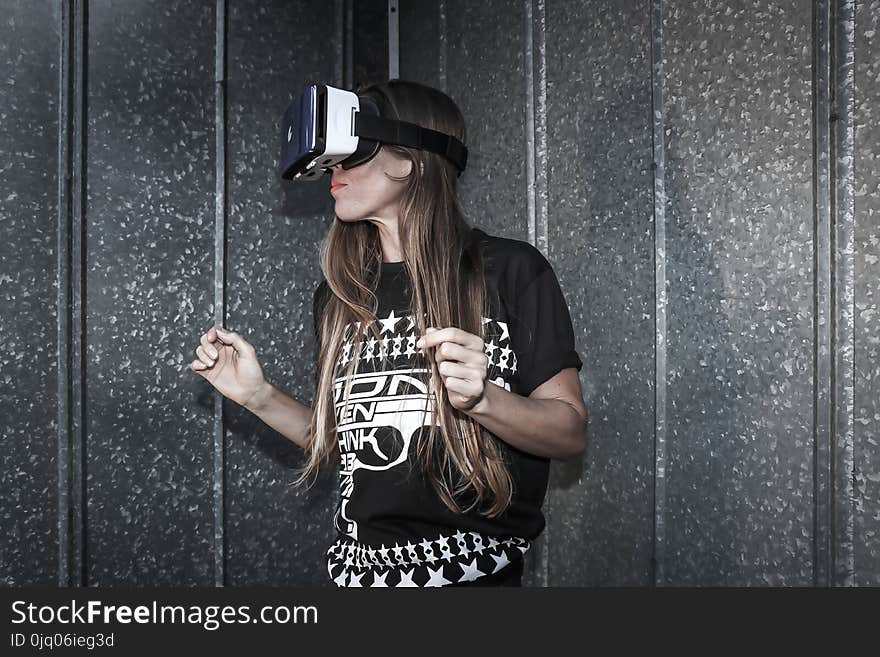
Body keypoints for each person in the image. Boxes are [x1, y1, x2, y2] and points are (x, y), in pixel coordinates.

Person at [190, 79, 588, 587]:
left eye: (349, 155)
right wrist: (257, 396)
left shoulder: (510, 271)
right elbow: (344, 443)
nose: (333, 172)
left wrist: (482, 399)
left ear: (407, 161)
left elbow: (570, 431)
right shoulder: (339, 295)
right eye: (329, 161)